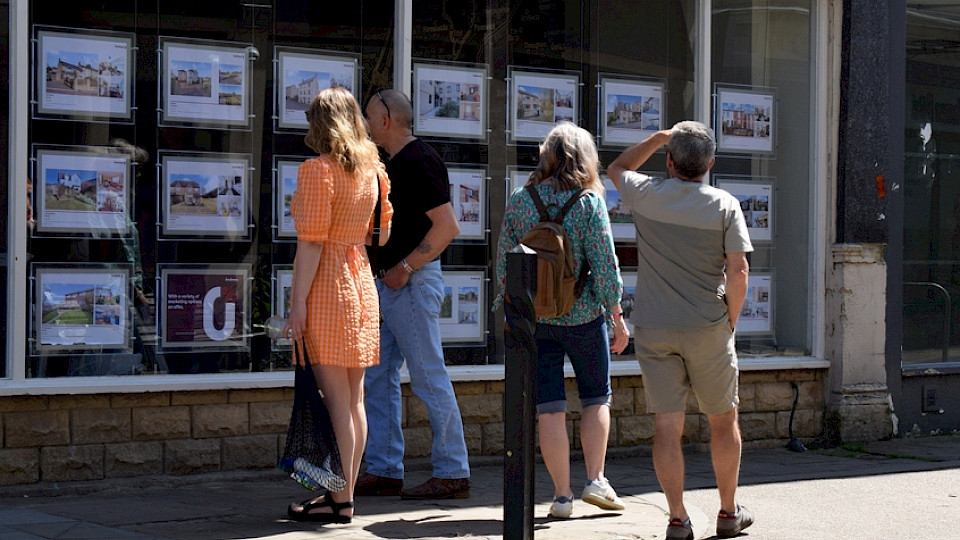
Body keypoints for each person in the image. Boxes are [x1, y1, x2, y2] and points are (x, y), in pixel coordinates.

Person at [606, 121, 754, 540]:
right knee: (723, 422)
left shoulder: (647, 194)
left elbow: (617, 166)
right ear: (711, 164)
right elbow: (739, 270)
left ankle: (677, 518)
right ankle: (728, 512)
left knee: (667, 428)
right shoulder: (724, 205)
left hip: (655, 326)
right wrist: (731, 319)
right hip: (708, 324)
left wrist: (657, 138)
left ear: (670, 161)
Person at [494, 122, 630, 519]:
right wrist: (617, 316)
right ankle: (596, 480)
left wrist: (512, 310)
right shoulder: (589, 203)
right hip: (585, 317)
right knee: (595, 397)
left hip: (538, 319)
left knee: (548, 408)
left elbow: (506, 260)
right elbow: (606, 267)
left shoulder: (522, 199)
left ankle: (561, 496)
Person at [284, 87, 393, 523]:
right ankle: (342, 494)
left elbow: (310, 244)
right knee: (354, 400)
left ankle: (340, 497)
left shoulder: (318, 170)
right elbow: (380, 238)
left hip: (329, 284)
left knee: (335, 402)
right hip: (360, 280)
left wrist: (296, 306)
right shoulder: (373, 170)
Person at [359, 89, 471, 499]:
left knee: (428, 377)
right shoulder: (396, 163)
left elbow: (447, 227)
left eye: (370, 117)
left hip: (409, 283)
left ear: (386, 119)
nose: (367, 126)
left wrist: (404, 269)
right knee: (377, 378)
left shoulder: (419, 160)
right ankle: (384, 469)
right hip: (391, 284)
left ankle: (453, 471)